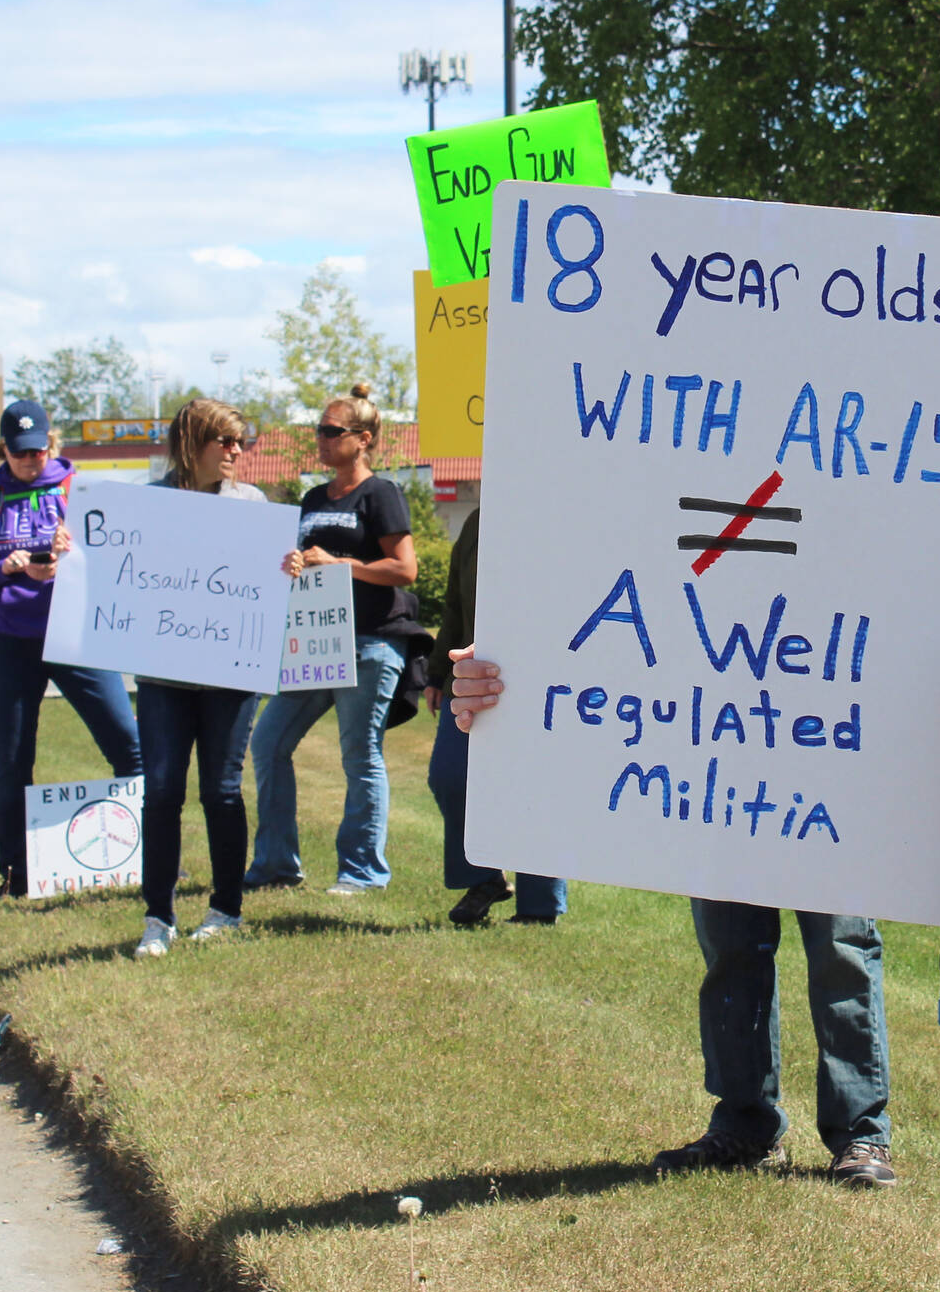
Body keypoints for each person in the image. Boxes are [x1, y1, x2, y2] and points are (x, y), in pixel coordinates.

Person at [444, 687, 895, 1188]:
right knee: (731, 951)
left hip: (829, 757)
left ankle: (861, 1132)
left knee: (841, 951)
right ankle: (745, 1126)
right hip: (719, 763)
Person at [0, 398, 142, 898]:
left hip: (77, 634)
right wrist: (7, 568)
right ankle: (15, 874)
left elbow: (123, 556)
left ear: (51, 445)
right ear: (3, 451)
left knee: (130, 743)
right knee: (12, 758)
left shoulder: (77, 490)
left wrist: (74, 552)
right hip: (12, 640)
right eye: (20, 454)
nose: (30, 461)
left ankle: (153, 853)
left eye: (37, 452)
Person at [133, 398, 290, 958]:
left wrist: (286, 568)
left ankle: (225, 909)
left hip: (230, 671)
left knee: (221, 791)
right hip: (162, 676)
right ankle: (158, 917)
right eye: (224, 440)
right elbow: (115, 567)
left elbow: (267, 581)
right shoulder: (148, 503)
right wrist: (75, 552)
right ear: (190, 441)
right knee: (162, 791)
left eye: (240, 441)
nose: (236, 451)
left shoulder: (252, 504)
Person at [246, 384, 417, 895]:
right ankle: (276, 863)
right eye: (317, 430)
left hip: (369, 642)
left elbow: (405, 569)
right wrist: (295, 563)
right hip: (314, 643)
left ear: (363, 439)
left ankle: (362, 872)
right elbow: (303, 563)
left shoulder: (381, 494)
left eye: (330, 431)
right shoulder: (313, 498)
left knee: (359, 754)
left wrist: (339, 563)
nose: (319, 439)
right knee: (268, 741)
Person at [423, 508, 569, 927]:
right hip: (474, 674)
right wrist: (436, 673)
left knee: (535, 783)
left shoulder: (559, 513)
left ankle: (539, 906)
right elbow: (454, 603)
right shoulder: (475, 522)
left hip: (543, 673)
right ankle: (485, 879)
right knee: (448, 777)